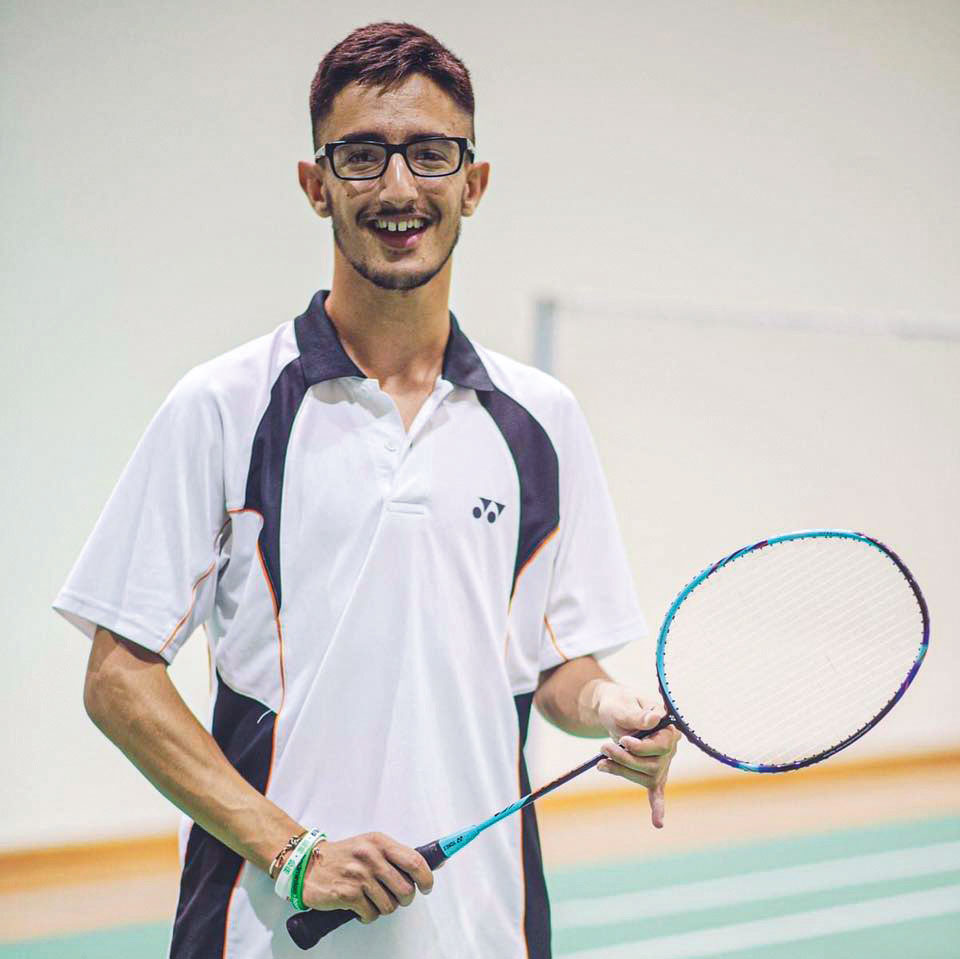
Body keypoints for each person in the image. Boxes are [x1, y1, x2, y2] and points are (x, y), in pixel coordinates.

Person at [54, 21, 679, 959]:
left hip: (484, 925)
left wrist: (611, 709)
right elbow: (118, 677)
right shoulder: (224, 406)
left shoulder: (541, 421)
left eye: (430, 153)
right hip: (268, 928)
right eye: (361, 155)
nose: (397, 187)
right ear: (317, 186)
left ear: (474, 183)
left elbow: (554, 665)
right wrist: (293, 850)